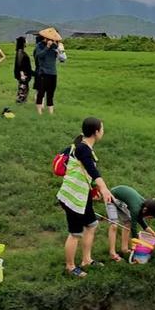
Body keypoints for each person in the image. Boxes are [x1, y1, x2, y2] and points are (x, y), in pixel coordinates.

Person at [56, 117, 113, 278]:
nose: (103, 131)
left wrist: (94, 189)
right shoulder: (83, 149)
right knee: (75, 233)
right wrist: (104, 188)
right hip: (72, 198)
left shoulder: (82, 144)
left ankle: (86, 260)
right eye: (102, 128)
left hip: (82, 196)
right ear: (96, 132)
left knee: (92, 224)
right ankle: (70, 266)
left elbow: (86, 172)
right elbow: (92, 171)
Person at [106, 186, 155, 261]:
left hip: (120, 201)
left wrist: (153, 234)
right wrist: (136, 242)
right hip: (111, 196)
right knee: (114, 225)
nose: (149, 218)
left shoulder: (144, 206)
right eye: (150, 217)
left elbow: (141, 221)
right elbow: (134, 227)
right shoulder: (136, 209)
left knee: (127, 223)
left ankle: (124, 249)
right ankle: (112, 253)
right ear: (146, 211)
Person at [34, 33, 66, 115]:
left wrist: (61, 49)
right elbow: (39, 56)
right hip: (43, 72)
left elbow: (62, 59)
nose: (52, 40)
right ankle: (39, 112)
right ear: (46, 38)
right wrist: (47, 47)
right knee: (41, 93)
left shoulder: (55, 47)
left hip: (53, 73)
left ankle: (51, 113)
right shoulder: (39, 46)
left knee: (50, 94)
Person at [14, 36, 33, 103]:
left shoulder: (20, 52)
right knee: (23, 89)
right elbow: (19, 64)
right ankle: (21, 101)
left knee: (23, 88)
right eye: (25, 41)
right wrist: (22, 74)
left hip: (25, 73)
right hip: (23, 74)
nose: (26, 43)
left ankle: (22, 101)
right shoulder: (20, 52)